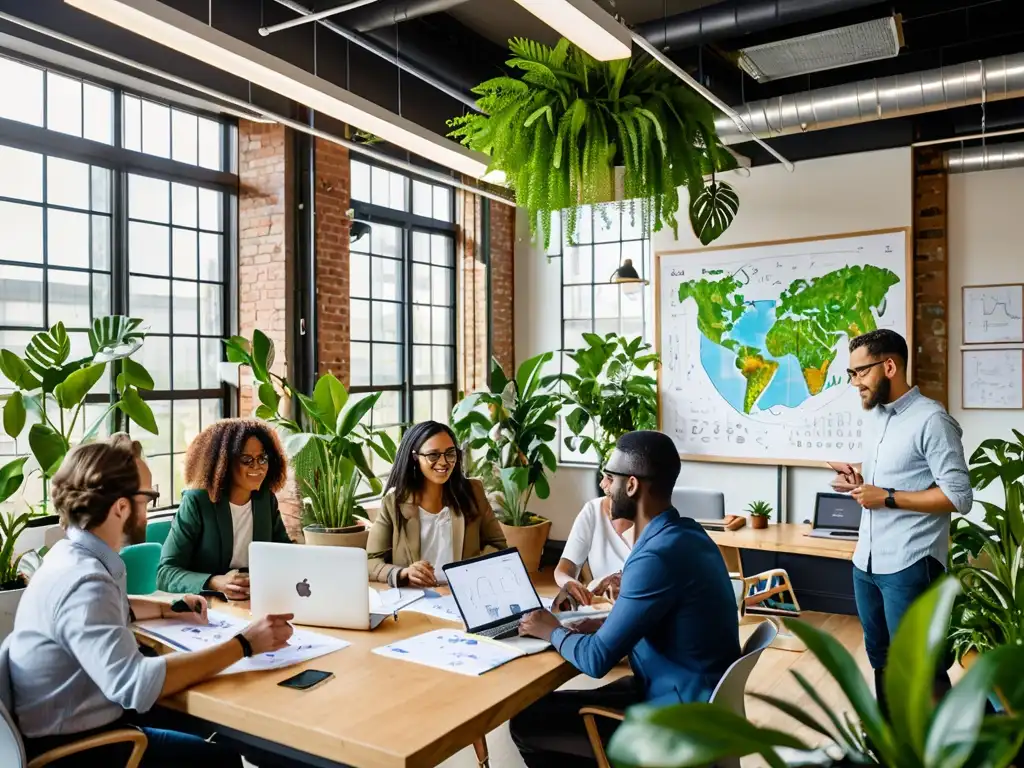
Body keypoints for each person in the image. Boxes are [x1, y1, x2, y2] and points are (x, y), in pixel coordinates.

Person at [6, 434, 294, 767]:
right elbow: (138, 685)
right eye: (147, 498)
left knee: (214, 728)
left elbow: (102, 613)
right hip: (83, 749)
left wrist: (166, 607)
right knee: (223, 758)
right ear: (121, 507)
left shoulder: (68, 556)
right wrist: (244, 644)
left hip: (73, 719)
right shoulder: (87, 583)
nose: (148, 509)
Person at [511, 430, 740, 767]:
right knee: (550, 707)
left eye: (609, 477)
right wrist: (604, 622)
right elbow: (663, 613)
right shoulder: (688, 534)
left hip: (674, 716)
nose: (604, 486)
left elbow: (596, 661)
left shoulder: (655, 556)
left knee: (527, 722)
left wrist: (550, 629)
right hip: (690, 694)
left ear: (631, 485)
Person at [833, 329, 972, 719]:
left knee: (921, 670)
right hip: (868, 563)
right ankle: (891, 748)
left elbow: (959, 496)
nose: (854, 382)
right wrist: (858, 477)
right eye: (851, 373)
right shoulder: (876, 416)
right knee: (882, 660)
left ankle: (939, 753)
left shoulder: (932, 420)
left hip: (911, 564)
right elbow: (899, 470)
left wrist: (888, 497)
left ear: (889, 366)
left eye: (860, 372)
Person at [158, 419, 291, 598]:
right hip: (207, 606)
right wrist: (214, 582)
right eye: (246, 459)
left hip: (253, 601)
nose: (257, 466)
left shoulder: (265, 500)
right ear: (224, 463)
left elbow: (285, 555)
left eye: (263, 458)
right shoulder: (197, 502)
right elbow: (165, 574)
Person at [367, 420, 506, 587]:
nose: (444, 462)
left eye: (450, 453)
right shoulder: (394, 502)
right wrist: (403, 573)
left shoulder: (472, 492)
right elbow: (370, 562)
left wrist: (472, 566)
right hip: (416, 598)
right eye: (433, 455)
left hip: (465, 592)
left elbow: (499, 546)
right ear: (415, 458)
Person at [554, 479, 633, 606]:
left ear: (633, 483)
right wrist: (571, 584)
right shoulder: (593, 511)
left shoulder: (659, 527)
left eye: (610, 477)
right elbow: (563, 569)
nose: (602, 483)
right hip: (600, 612)